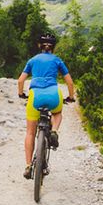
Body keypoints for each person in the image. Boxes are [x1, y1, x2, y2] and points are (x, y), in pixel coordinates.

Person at [17, 32, 76, 180]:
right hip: (53, 95)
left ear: (39, 46)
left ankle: (28, 165)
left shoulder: (32, 60)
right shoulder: (57, 60)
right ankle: (54, 130)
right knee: (57, 113)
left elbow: (20, 81)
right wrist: (70, 97)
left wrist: (21, 94)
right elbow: (70, 82)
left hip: (35, 96)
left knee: (30, 133)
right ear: (53, 47)